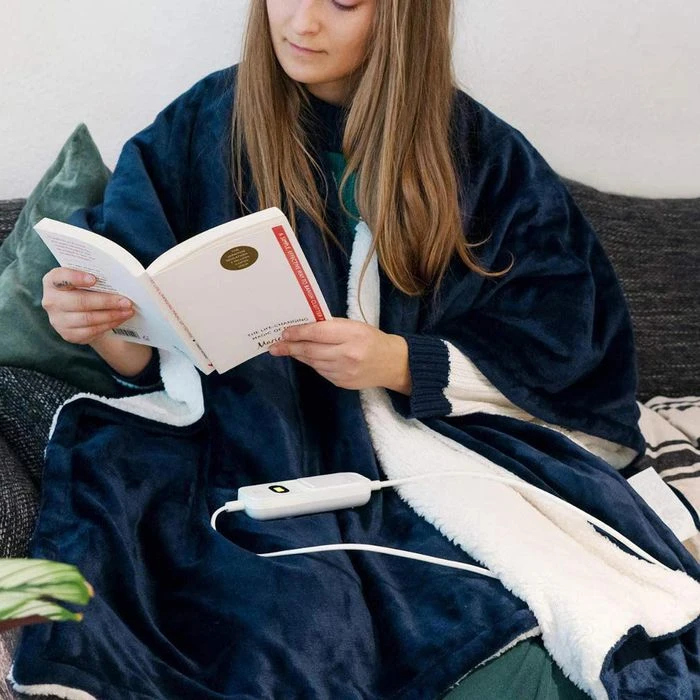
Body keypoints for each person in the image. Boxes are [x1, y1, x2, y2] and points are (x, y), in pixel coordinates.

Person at [14, 1, 700, 699]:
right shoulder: (199, 126)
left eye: (342, 1)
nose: (302, 22)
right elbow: (142, 355)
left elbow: (568, 340)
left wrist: (400, 362)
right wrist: (98, 321)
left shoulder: (482, 155)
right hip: (242, 443)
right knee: (241, 622)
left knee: (520, 630)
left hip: (423, 448)